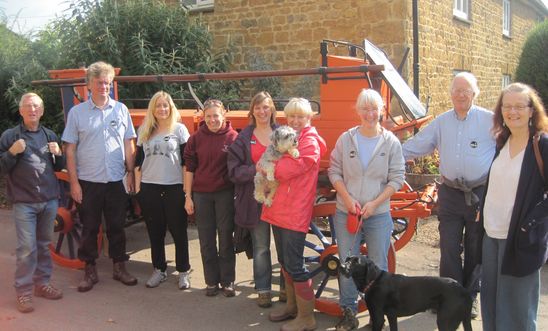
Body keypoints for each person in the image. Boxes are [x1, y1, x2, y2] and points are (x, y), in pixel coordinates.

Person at [402, 72, 495, 317]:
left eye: (466, 90)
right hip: (451, 193)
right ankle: (449, 295)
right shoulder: (442, 122)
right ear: (451, 93)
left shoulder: (490, 120)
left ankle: (469, 298)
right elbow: (420, 144)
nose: (461, 94)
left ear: (475, 93)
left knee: (476, 247)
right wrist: (390, 152)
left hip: (479, 193)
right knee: (449, 246)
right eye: (457, 90)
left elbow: (508, 148)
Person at [328, 88, 405, 330]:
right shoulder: (346, 138)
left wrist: (375, 203)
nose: (370, 114)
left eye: (374, 109)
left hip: (378, 214)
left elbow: (397, 178)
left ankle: (377, 312)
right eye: (365, 109)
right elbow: (334, 171)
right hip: (347, 211)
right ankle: (348, 310)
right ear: (358, 111)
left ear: (381, 111)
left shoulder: (390, 141)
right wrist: (348, 198)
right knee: (347, 262)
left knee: (378, 264)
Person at [62, 61, 138, 292]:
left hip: (115, 180)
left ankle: (119, 267)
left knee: (117, 226)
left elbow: (129, 143)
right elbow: (70, 149)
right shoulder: (77, 113)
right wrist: (74, 182)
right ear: (89, 85)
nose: (103, 86)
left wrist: (131, 173)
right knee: (89, 227)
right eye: (99, 83)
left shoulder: (121, 109)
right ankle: (89, 270)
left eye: (107, 82)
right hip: (89, 182)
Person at [479, 83, 548, 331]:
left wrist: (530, 223)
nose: (512, 111)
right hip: (491, 235)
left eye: (519, 106)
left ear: (532, 111)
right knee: (491, 302)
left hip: (520, 239)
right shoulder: (502, 141)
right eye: (507, 106)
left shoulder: (542, 145)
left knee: (517, 309)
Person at [262, 98, 326, 331]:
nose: (295, 121)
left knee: (295, 265)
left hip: (294, 210)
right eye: (291, 117)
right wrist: (267, 166)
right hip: (279, 209)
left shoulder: (309, 142)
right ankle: (292, 308)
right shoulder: (289, 137)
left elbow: (284, 170)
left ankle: (307, 318)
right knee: (286, 263)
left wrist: (267, 166)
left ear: (309, 118)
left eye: (300, 116)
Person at [0, 93, 65, 313]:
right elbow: (2, 167)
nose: (32, 110)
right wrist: (11, 152)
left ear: (42, 110)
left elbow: (58, 168)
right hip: (24, 202)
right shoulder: (10, 136)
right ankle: (24, 292)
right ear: (20, 111)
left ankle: (42, 284)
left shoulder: (49, 135)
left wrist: (59, 154)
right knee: (27, 249)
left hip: (49, 200)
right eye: (27, 106)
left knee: (44, 246)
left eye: (36, 106)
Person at [134, 91, 191, 289]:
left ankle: (183, 271)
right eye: (158, 105)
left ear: (171, 107)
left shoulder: (180, 130)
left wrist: (186, 191)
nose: (162, 109)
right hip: (150, 187)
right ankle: (159, 269)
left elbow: (187, 163)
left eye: (165, 105)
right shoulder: (145, 130)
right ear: (153, 109)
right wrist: (139, 189)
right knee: (155, 232)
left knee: (178, 231)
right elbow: (138, 162)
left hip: (174, 187)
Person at [183, 99, 238, 297]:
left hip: (224, 193)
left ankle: (228, 280)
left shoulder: (233, 138)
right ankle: (211, 281)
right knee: (206, 240)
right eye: (209, 116)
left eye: (216, 115)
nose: (213, 120)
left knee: (225, 238)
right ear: (203, 118)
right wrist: (188, 196)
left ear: (224, 115)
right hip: (202, 195)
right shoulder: (196, 138)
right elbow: (189, 168)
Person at [227, 91, 278, 307]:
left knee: (284, 248)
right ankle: (264, 289)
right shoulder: (244, 138)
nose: (262, 111)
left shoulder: (282, 133)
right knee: (261, 247)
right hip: (254, 199)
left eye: (266, 107)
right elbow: (233, 172)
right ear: (252, 111)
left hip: (280, 199)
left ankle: (287, 289)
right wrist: (254, 169)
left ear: (272, 110)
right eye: (258, 107)